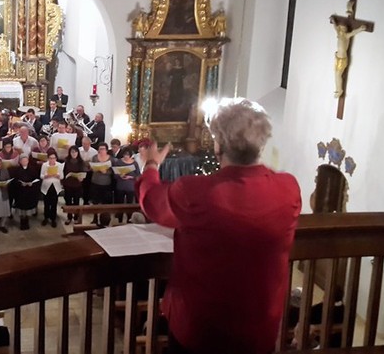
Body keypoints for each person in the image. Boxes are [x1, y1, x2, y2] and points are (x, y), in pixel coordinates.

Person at [137, 99, 301, 354]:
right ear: (262, 142)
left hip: (201, 330)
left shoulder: (194, 192)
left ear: (218, 145)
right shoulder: (288, 189)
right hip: (259, 331)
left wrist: (151, 165)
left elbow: (152, 202)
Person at [12, 154, 40, 230]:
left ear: (28, 161)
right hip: (20, 192)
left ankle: (27, 222)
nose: (24, 162)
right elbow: (14, 181)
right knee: (21, 209)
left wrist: (32, 183)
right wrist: (20, 183)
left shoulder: (32, 169)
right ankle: (22, 223)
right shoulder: (17, 170)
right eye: (23, 160)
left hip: (29, 192)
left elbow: (37, 179)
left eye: (26, 160)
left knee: (28, 210)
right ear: (20, 162)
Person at [89, 142, 114, 225]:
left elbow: (113, 171)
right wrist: (94, 169)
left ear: (106, 150)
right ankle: (95, 218)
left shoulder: (111, 159)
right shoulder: (95, 157)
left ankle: (105, 219)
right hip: (95, 182)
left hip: (106, 183)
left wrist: (106, 172)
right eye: (100, 149)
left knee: (105, 202)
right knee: (95, 202)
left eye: (103, 149)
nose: (101, 150)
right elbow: (91, 168)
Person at [113, 148, 140, 222]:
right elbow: (114, 175)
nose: (126, 156)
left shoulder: (134, 163)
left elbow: (138, 175)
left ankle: (129, 219)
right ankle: (119, 219)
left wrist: (131, 177)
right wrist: (120, 175)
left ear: (130, 155)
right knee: (120, 204)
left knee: (129, 204)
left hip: (130, 186)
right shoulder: (118, 162)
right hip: (120, 185)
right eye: (124, 154)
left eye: (128, 155)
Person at [39, 149, 64, 227]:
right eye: (50, 158)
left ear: (56, 158)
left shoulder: (59, 165)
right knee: (46, 203)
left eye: (54, 158)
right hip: (46, 186)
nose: (52, 160)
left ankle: (53, 219)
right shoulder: (44, 165)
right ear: (48, 158)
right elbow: (41, 176)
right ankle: (46, 218)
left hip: (55, 186)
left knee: (54, 203)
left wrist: (58, 176)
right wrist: (46, 176)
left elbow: (62, 176)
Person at [63, 145, 86, 225]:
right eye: (72, 152)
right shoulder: (66, 161)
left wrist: (81, 178)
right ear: (70, 153)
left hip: (77, 185)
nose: (74, 153)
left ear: (78, 153)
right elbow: (64, 172)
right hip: (68, 184)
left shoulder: (81, 162)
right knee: (68, 202)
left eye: (75, 152)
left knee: (76, 202)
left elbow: (83, 173)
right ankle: (69, 217)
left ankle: (76, 217)